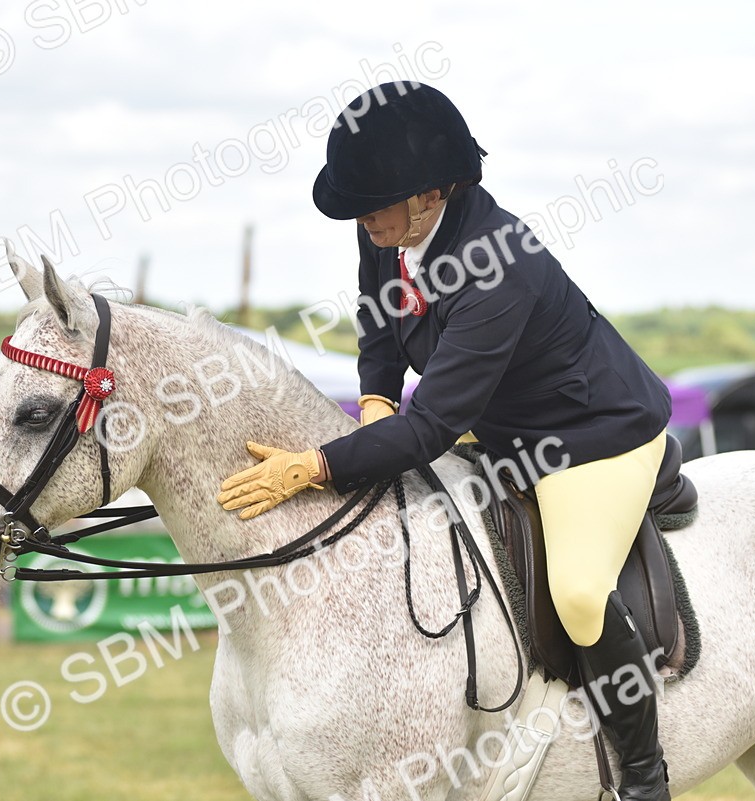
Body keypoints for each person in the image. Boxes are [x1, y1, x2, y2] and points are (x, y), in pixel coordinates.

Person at [216, 82, 674, 801]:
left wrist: (317, 466)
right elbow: (378, 324)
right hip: (499, 428)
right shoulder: (387, 231)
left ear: (430, 195)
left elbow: (430, 426)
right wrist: (372, 404)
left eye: (375, 202)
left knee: (581, 592)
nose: (362, 217)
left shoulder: (500, 265)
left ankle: (645, 777)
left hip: (592, 436)